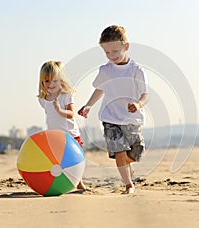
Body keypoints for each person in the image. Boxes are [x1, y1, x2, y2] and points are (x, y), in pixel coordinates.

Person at [78, 25, 148, 194]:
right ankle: (128, 184)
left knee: (137, 151)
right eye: (107, 53)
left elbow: (145, 95)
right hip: (110, 118)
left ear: (126, 46)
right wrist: (88, 105)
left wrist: (138, 104)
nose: (111, 56)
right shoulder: (106, 70)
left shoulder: (136, 70)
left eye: (115, 51)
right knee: (119, 152)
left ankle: (127, 164)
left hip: (132, 119)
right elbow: (100, 89)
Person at [38, 60, 86, 190]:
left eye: (54, 81)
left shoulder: (66, 96)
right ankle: (58, 182)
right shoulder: (43, 99)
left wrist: (60, 110)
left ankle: (79, 182)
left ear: (61, 81)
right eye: (46, 81)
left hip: (70, 134)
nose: (50, 84)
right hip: (54, 136)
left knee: (74, 160)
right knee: (57, 161)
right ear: (42, 82)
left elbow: (71, 113)